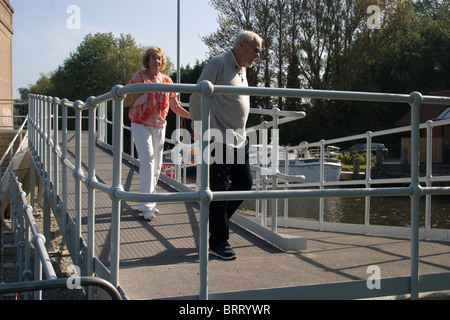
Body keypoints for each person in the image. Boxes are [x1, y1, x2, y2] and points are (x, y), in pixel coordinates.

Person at [189, 30, 263, 260]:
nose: (258, 56)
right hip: (217, 136)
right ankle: (219, 242)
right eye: (256, 50)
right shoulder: (219, 63)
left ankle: (216, 224)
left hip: (238, 138)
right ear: (241, 45)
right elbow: (196, 96)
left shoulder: (242, 69)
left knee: (244, 184)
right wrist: (199, 129)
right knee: (219, 190)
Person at [124, 46, 190, 221]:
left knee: (157, 166)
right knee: (147, 160)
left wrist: (193, 116)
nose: (157, 61)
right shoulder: (139, 77)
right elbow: (124, 101)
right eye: (153, 58)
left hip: (159, 125)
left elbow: (175, 107)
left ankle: (148, 201)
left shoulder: (167, 80)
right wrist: (140, 90)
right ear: (148, 60)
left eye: (159, 58)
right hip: (140, 123)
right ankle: (147, 206)